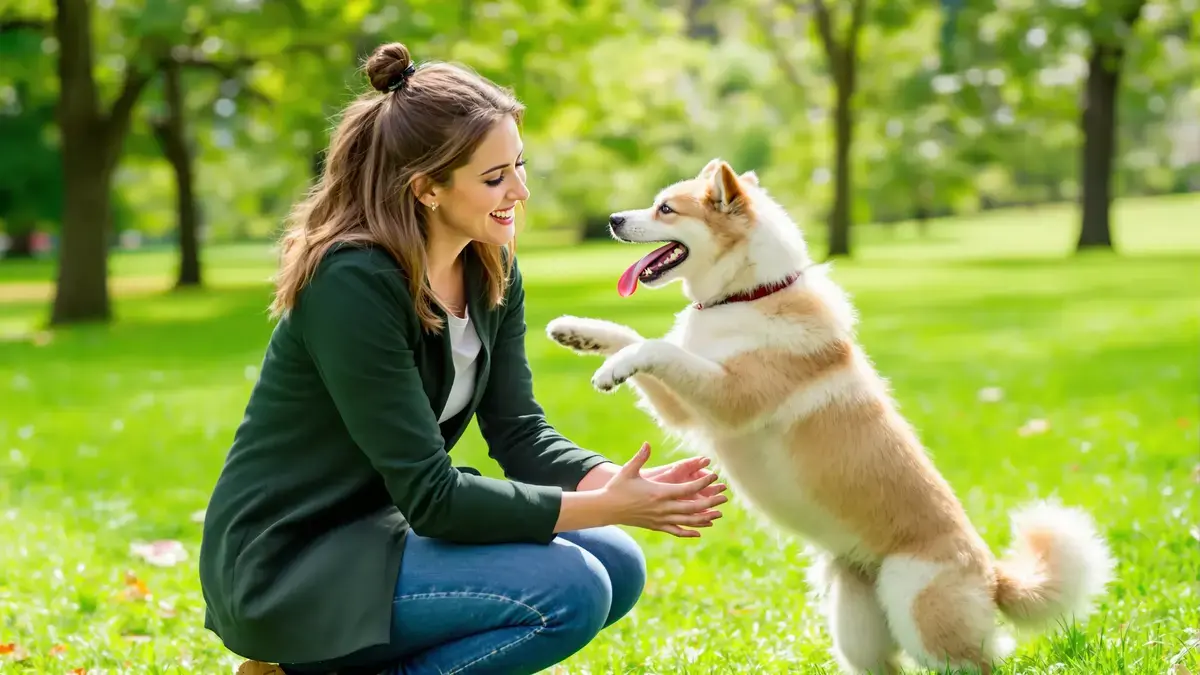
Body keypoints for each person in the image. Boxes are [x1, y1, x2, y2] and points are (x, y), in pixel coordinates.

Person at [197, 41, 728, 675]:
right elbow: (434, 498)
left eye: (519, 165)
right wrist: (607, 505)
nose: (521, 191)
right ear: (426, 188)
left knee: (616, 560)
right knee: (572, 588)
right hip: (291, 561)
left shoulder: (490, 265)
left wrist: (612, 484)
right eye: (495, 177)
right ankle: (287, 659)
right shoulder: (352, 282)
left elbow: (518, 430)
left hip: (382, 533)